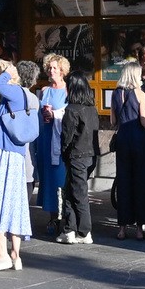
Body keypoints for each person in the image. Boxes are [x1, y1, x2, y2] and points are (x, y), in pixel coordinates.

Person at [0, 60, 36, 272]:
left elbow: (0, 86)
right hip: (13, 153)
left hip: (6, 154)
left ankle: (2, 255)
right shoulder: (21, 97)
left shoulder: (13, 92)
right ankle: (15, 254)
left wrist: (7, 73)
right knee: (14, 202)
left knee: (1, 200)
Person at [111, 64, 145, 240]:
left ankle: (122, 228)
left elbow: (113, 120)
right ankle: (139, 229)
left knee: (124, 181)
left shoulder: (115, 93)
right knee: (140, 182)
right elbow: (144, 122)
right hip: (138, 139)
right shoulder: (140, 93)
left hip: (122, 139)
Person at [57, 77, 99, 244]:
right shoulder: (91, 109)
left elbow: (67, 137)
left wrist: (63, 152)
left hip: (76, 155)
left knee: (78, 193)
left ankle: (83, 231)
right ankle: (70, 229)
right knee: (72, 190)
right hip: (90, 155)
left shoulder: (71, 110)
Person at [33, 54, 69, 220]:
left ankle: (62, 214)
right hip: (45, 137)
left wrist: (54, 114)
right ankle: (52, 217)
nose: (51, 71)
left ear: (62, 70)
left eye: (55, 68)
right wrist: (44, 114)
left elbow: (69, 114)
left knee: (59, 176)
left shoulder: (68, 90)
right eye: (50, 68)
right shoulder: (45, 91)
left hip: (59, 138)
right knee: (47, 176)